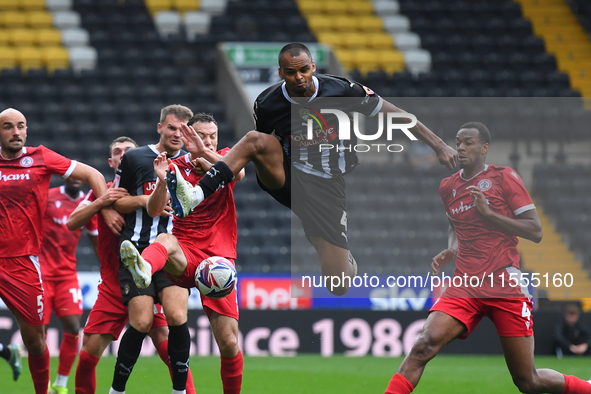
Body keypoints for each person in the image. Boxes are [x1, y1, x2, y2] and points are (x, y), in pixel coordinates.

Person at [166, 42, 458, 296]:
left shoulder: (341, 90)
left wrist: (439, 145)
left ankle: (330, 245)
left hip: (328, 186)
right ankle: (194, 195)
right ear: (280, 73)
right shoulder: (267, 103)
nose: (298, 77)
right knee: (255, 140)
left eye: (303, 70)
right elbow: (265, 145)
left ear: (313, 67)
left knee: (338, 284)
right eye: (291, 72)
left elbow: (398, 115)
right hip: (290, 177)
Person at [384, 122, 591, 394]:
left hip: (504, 282)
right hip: (465, 283)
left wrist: (491, 215)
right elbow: (453, 223)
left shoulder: (504, 177)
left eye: (468, 142)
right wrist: (451, 248)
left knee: (528, 381)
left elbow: (536, 231)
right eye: (458, 142)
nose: (460, 147)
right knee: (423, 345)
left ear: (484, 148)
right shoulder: (448, 187)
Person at [121, 113, 244, 394]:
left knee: (228, 343)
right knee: (166, 239)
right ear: (189, 138)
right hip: (186, 251)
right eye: (202, 136)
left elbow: (239, 173)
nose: (209, 140)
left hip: (218, 260)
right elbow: (153, 210)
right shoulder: (174, 166)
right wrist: (163, 180)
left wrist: (206, 153)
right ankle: (145, 267)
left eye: (212, 136)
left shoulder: (225, 158)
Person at [67, 137, 196, 394]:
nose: (123, 155)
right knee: (88, 356)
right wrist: (103, 204)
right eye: (118, 152)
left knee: (170, 349)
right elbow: (72, 222)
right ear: (112, 161)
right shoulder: (101, 191)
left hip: (147, 279)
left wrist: (141, 200)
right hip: (113, 287)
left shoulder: (155, 190)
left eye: (128, 151)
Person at [0, 108, 108, 394]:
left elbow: (93, 173)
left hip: (22, 263)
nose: (15, 132)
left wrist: (105, 211)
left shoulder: (41, 158)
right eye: (8, 127)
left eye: (20, 126)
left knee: (35, 340)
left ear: (27, 130)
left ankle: (46, 389)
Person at [109, 105, 194, 394]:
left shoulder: (193, 162)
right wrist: (145, 199)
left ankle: (179, 391)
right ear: (160, 128)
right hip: (137, 251)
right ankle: (117, 390)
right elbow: (117, 201)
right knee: (142, 321)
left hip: (174, 253)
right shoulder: (134, 158)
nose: (176, 134)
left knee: (177, 317)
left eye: (183, 129)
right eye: (172, 127)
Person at [40, 177, 99, 394]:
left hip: (67, 276)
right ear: (65, 177)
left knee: (74, 328)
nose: (75, 179)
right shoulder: (47, 196)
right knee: (40, 333)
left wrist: (108, 269)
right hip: (41, 274)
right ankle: (43, 384)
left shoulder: (87, 204)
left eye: (80, 176)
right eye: (71, 175)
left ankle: (61, 384)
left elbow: (96, 239)